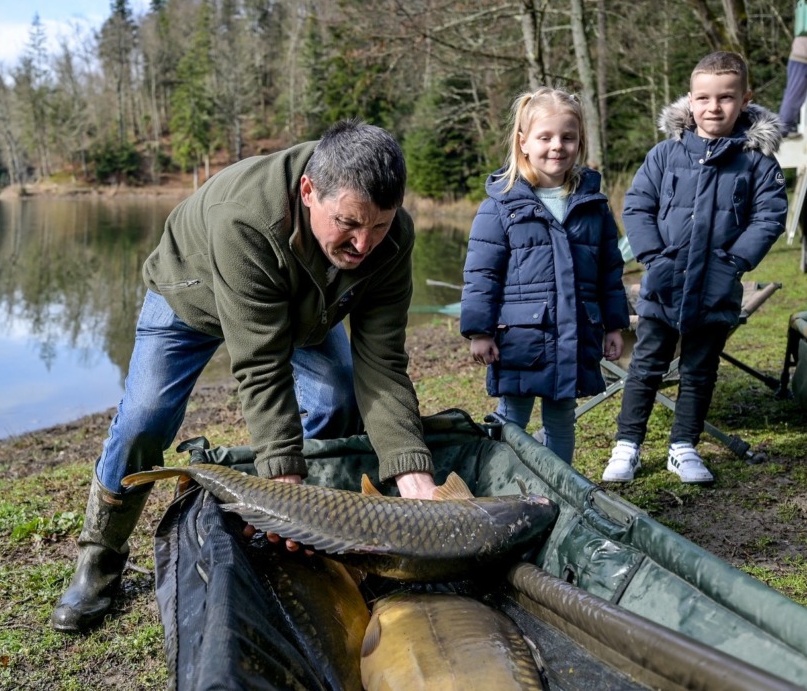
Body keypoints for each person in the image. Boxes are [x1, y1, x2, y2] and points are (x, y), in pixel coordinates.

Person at [50, 119, 440, 633]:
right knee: (146, 418)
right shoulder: (246, 218)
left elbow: (382, 362)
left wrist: (411, 472)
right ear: (308, 191)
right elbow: (261, 364)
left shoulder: (390, 241)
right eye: (348, 223)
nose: (364, 244)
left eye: (380, 225)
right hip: (193, 295)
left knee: (339, 395)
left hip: (306, 303)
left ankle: (312, 536)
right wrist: (282, 478)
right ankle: (98, 560)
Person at [602, 51, 787, 485]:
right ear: (689, 100)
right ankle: (627, 444)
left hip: (716, 287)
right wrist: (655, 258)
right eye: (703, 97)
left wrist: (733, 262)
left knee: (700, 370)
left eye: (726, 97)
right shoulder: (665, 154)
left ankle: (682, 445)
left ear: (745, 99)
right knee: (646, 366)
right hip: (663, 285)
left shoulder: (758, 162)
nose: (713, 107)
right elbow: (638, 206)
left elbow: (769, 217)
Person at [459, 87, 629, 465]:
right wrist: (479, 331)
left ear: (580, 141)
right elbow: (481, 275)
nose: (557, 146)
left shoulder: (594, 207)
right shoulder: (501, 205)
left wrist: (614, 325)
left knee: (562, 420)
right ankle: (504, 487)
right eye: (545, 137)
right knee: (511, 421)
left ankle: (559, 493)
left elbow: (609, 273)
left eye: (568, 137)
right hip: (520, 339)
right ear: (523, 142)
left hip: (575, 333)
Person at [778, 0, 807, 137]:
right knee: (794, 96)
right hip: (802, 58)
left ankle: (784, 128)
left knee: (793, 95)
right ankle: (783, 129)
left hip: (799, 57)